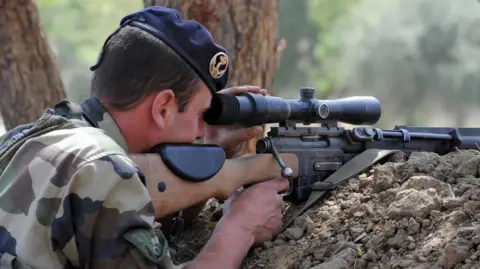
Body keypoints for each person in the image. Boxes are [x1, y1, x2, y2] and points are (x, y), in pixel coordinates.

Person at [0, 5, 288, 269]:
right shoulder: (106, 169)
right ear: (163, 108)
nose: (200, 131)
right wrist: (241, 227)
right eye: (200, 116)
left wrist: (203, 158)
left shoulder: (24, 138)